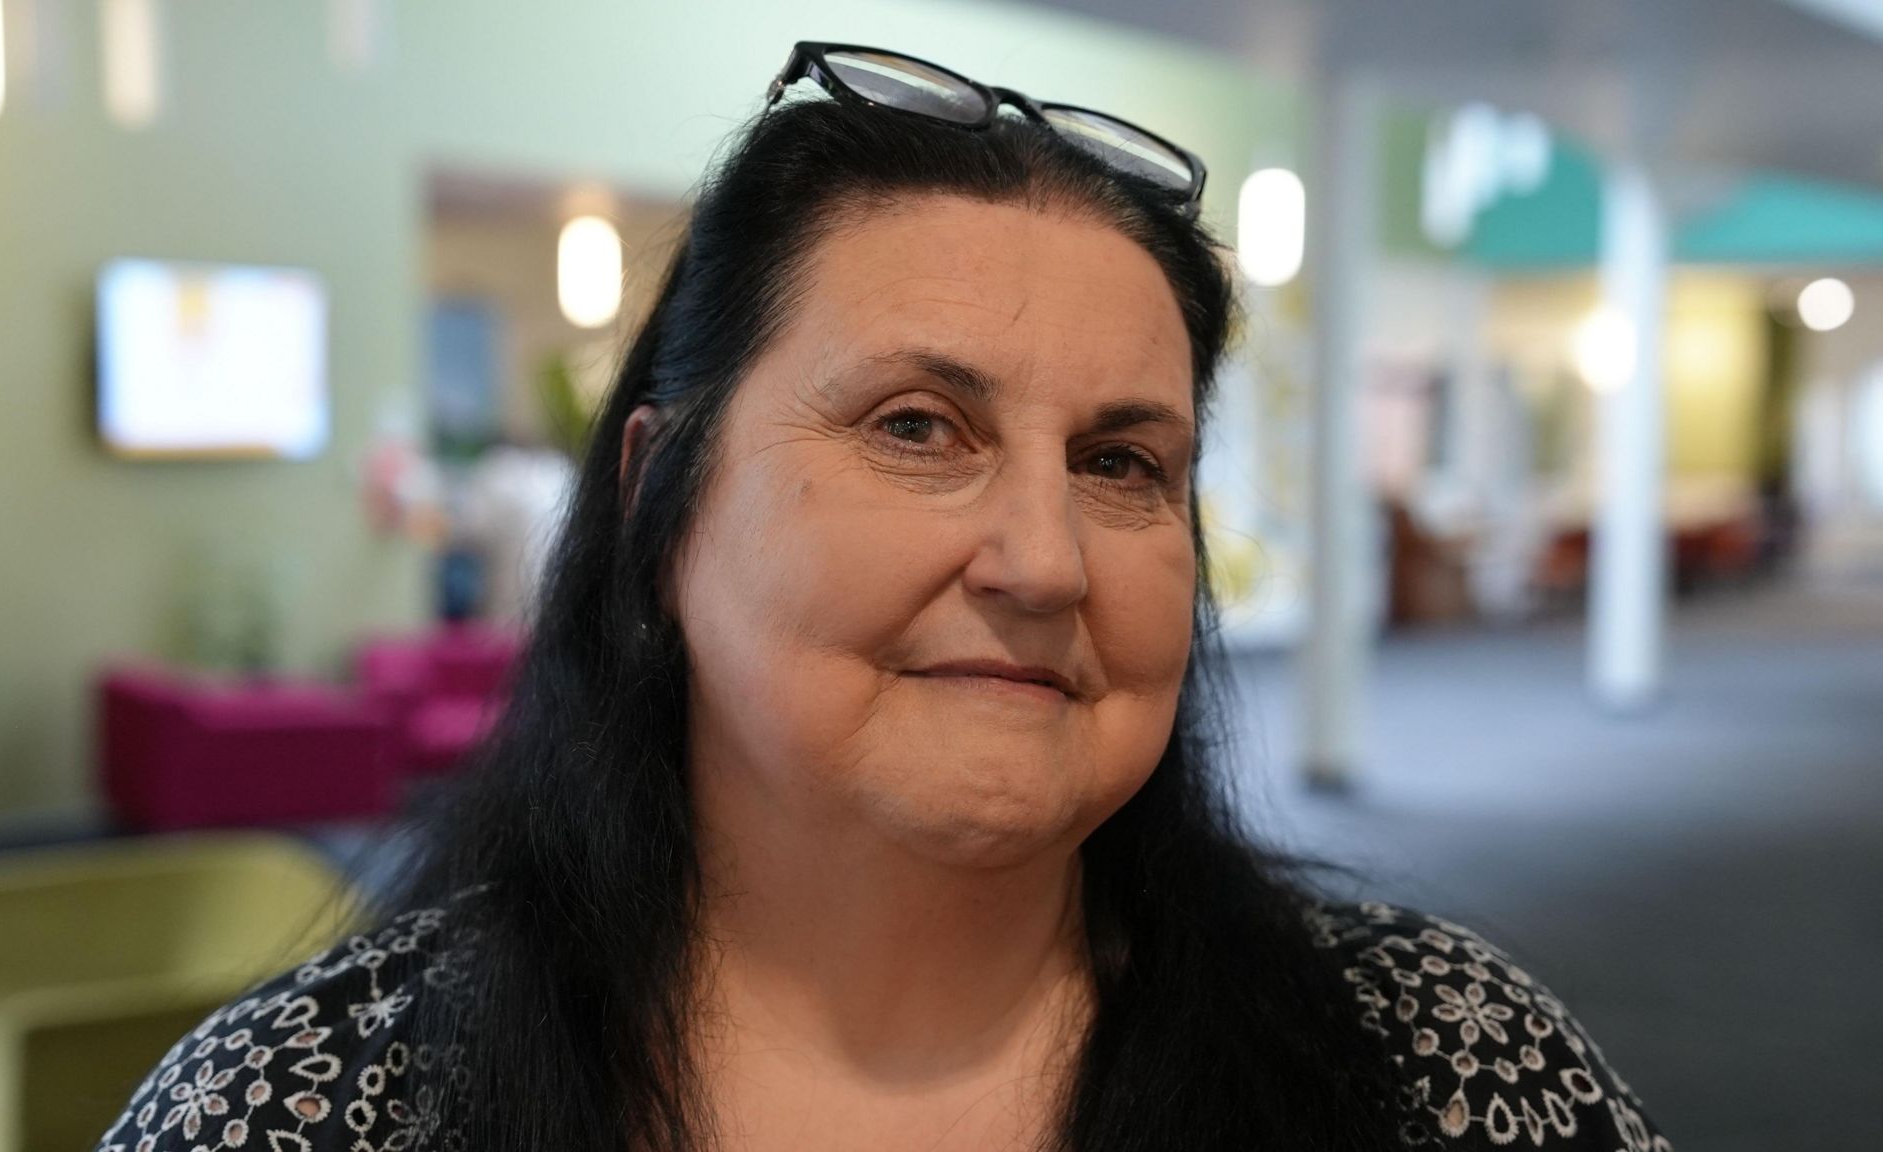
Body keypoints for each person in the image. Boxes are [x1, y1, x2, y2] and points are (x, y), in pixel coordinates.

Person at [98, 42, 1669, 1152]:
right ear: (661, 497)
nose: (1044, 562)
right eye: (919, 428)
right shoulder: (311, 1109)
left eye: (1125, 463)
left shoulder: (1441, 1069)